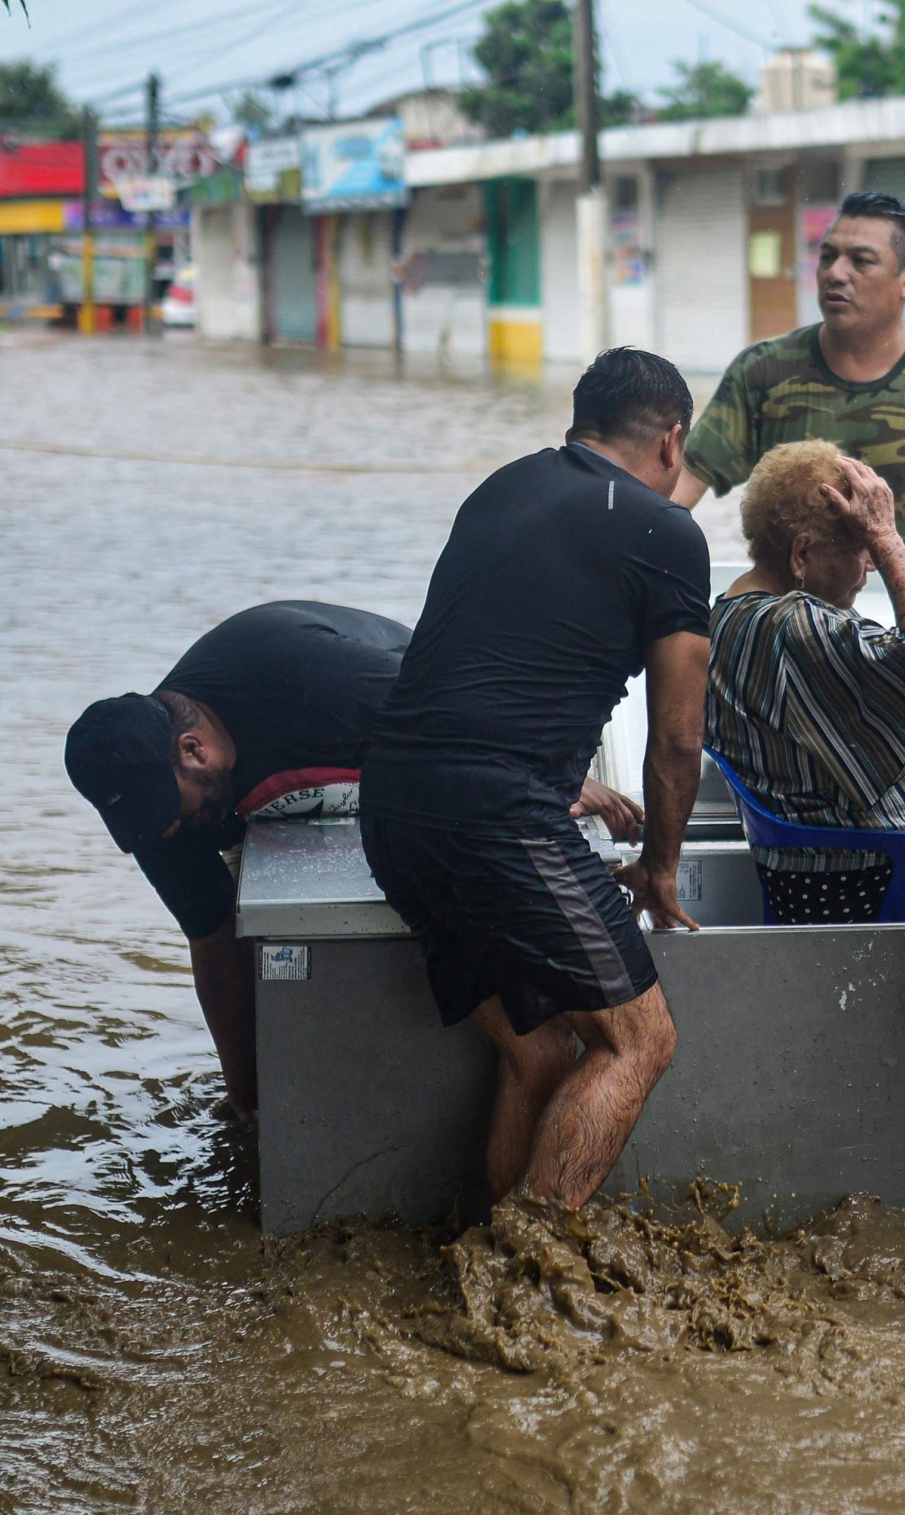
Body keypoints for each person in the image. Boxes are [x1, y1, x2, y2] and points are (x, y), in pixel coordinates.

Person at [359, 348, 713, 1214]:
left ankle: (485, 1243)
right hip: (501, 813)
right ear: (672, 441)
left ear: (580, 421)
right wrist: (660, 870)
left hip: (395, 807)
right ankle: (527, 1269)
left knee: (545, 1050)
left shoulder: (503, 487)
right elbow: (676, 740)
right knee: (641, 1042)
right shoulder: (668, 533)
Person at [64, 601, 594, 1122]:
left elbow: (457, 702)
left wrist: (547, 779)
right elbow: (212, 941)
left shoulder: (313, 680)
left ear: (193, 750)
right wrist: (247, 1104)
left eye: (168, 810)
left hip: (421, 737)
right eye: (147, 823)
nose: (169, 830)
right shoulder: (159, 816)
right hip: (288, 793)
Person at [705, 439, 905, 924]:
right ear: (802, 553)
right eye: (862, 549)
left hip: (903, 866)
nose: (872, 565)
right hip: (900, 877)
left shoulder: (746, 613)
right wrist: (885, 534)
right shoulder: (792, 625)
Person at [673, 190, 905, 559]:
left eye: (861, 261)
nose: (836, 273)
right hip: (790, 606)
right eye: (827, 256)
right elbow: (681, 489)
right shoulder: (763, 371)